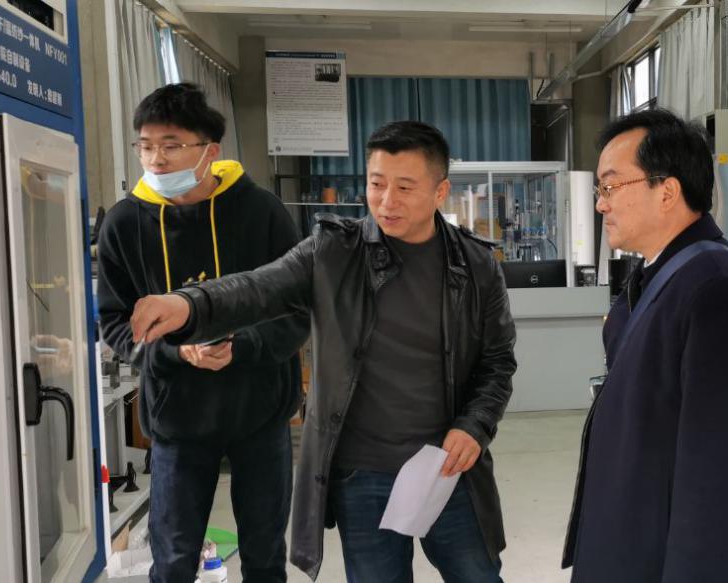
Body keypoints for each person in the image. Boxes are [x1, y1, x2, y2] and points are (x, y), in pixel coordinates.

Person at [126, 121, 517, 582]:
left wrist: (474, 426)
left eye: (405, 187)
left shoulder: (475, 266)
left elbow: (497, 362)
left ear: (440, 191)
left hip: (447, 468)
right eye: (377, 184)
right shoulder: (334, 252)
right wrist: (188, 304)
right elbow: (257, 287)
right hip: (362, 474)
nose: (386, 201)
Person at [97, 83, 310, 583]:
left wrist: (242, 347)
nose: (156, 159)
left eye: (171, 145)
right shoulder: (125, 224)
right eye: (146, 146)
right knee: (172, 559)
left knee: (264, 555)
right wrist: (177, 353)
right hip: (178, 419)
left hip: (260, 412)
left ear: (210, 151)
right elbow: (115, 323)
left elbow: (298, 309)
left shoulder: (261, 212)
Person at [562, 109, 728, 582]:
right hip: (637, 534)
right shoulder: (661, 272)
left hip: (672, 555)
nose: (600, 204)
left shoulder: (718, 291)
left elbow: (722, 476)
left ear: (666, 191)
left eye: (610, 186)